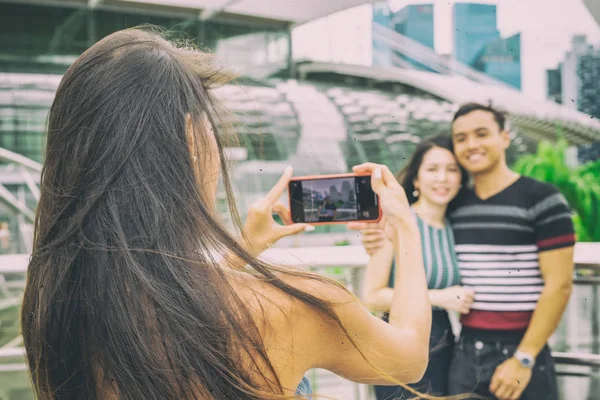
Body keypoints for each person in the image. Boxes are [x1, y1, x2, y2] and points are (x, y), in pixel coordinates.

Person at [20, 28, 433, 400]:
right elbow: (409, 357)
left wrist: (243, 248)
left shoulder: (54, 300)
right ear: (190, 139)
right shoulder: (291, 306)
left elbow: (168, 297)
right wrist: (405, 227)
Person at [353, 103, 576, 400]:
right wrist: (373, 235)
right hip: (457, 354)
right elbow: (376, 285)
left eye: (482, 134)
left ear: (504, 137)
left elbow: (559, 285)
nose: (471, 145)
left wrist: (524, 357)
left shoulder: (538, 200)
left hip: (508, 352)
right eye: (461, 138)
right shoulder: (435, 213)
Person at [361, 135, 475, 399]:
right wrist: (441, 298)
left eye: (451, 170)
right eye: (432, 170)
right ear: (416, 179)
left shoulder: (451, 227)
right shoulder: (396, 221)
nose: (442, 178)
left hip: (442, 344)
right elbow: (372, 296)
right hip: (398, 341)